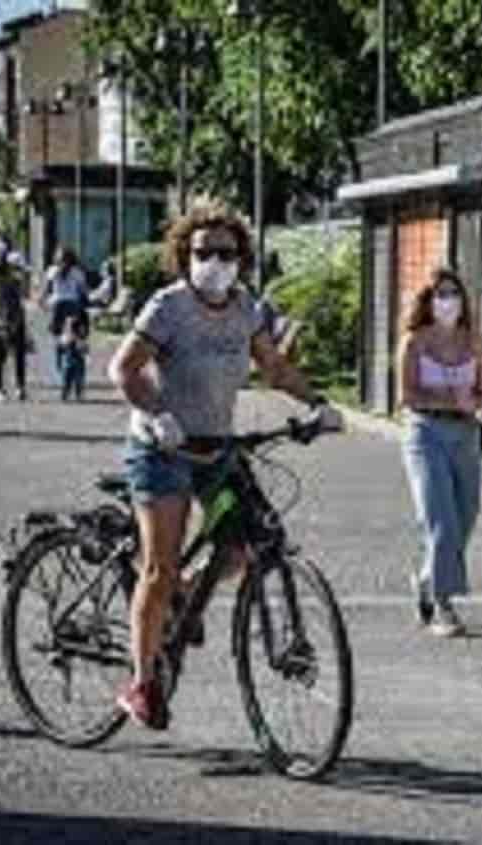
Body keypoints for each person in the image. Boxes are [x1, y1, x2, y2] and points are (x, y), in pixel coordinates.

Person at [107, 201, 344, 729]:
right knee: (158, 567)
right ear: (184, 255)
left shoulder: (246, 309)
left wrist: (317, 404)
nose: (216, 260)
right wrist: (156, 411)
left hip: (216, 445)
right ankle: (142, 682)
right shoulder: (167, 307)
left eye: (227, 252)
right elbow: (123, 369)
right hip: (162, 447)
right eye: (204, 252)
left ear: (242, 258)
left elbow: (274, 367)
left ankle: (184, 594)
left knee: (243, 542)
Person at [397, 267, 482, 638]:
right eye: (440, 294)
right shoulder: (414, 342)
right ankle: (442, 604)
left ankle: (426, 579)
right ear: (427, 301)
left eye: (453, 293)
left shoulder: (475, 341)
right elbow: (406, 396)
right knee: (440, 518)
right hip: (425, 430)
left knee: (466, 514)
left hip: (466, 433)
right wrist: (450, 397)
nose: (447, 301)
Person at [42, 245, 89, 384]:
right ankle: (77, 353)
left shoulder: (52, 271)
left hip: (57, 306)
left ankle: (59, 363)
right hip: (73, 305)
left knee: (57, 336)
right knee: (77, 334)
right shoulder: (78, 272)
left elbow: (46, 290)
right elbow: (83, 291)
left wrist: (43, 302)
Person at [0, 253, 30, 401]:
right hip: (4, 321)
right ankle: (4, 387)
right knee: (5, 355)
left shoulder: (12, 281)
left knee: (8, 355)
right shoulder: (1, 283)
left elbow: (21, 299)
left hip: (11, 319)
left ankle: (12, 387)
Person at [56, 312, 89, 401]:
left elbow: (85, 350)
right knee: (68, 380)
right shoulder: (65, 338)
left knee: (77, 380)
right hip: (70, 363)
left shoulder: (80, 340)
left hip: (76, 364)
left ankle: (77, 393)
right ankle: (66, 393)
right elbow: (59, 349)